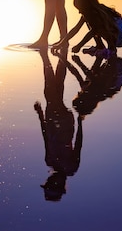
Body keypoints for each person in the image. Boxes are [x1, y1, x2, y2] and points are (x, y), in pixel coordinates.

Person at [34, 47, 82, 201]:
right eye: (50, 183)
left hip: (59, 122)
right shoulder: (70, 167)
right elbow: (78, 144)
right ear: (58, 184)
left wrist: (40, 114)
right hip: (62, 123)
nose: (49, 179)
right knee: (50, 93)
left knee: (56, 91)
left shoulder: (50, 161)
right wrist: (81, 122)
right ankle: (48, 58)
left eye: (47, 182)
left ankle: (60, 56)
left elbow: (45, 137)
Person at [52, 0, 122, 55]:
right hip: (115, 33)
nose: (79, 12)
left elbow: (93, 32)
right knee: (92, 24)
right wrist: (61, 44)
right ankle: (100, 46)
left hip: (121, 37)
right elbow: (76, 29)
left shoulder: (98, 13)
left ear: (86, 6)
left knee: (99, 28)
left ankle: (111, 50)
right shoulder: (88, 14)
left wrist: (79, 46)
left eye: (80, 9)